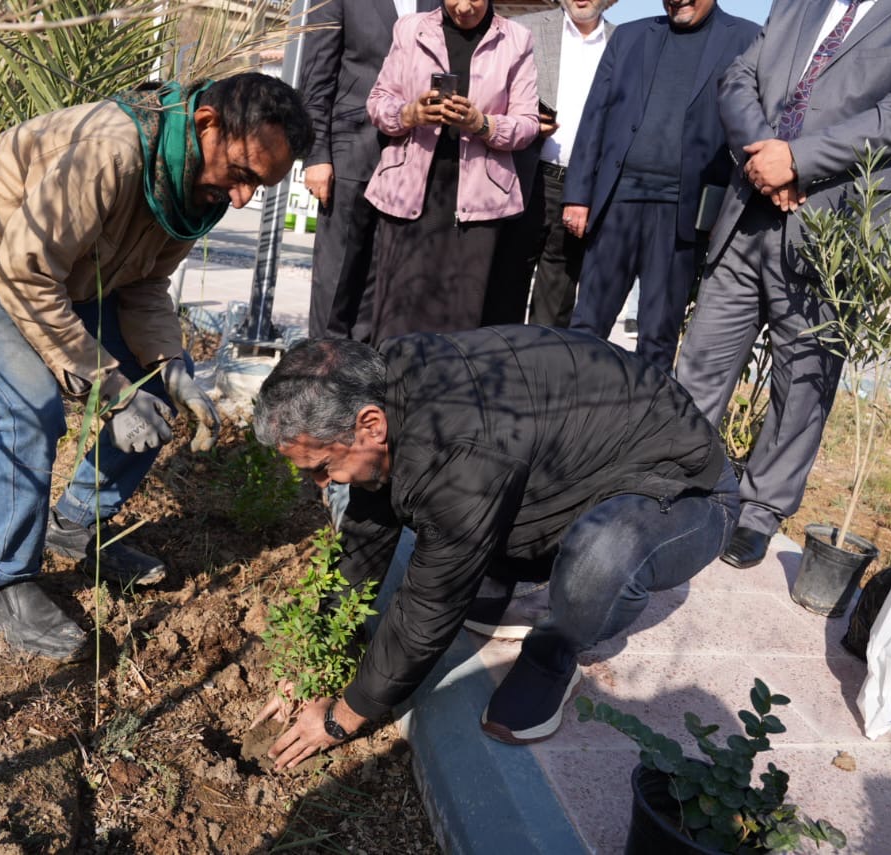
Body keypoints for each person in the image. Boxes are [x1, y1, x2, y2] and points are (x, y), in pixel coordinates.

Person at [0, 73, 313, 659]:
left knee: (156, 386)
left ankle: (75, 524)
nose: (242, 198)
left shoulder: (193, 188)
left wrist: (170, 366)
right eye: (242, 174)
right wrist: (113, 389)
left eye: (259, 185)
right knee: (28, 407)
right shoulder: (112, 153)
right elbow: (25, 272)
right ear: (207, 125)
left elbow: (145, 284)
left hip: (41, 273)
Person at [249, 327, 738, 765]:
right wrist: (315, 653)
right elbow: (367, 531)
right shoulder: (385, 387)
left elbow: (429, 607)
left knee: (603, 554)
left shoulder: (459, 450)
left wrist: (345, 715)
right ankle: (504, 577)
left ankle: (553, 654)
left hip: (685, 492)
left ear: (370, 425)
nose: (321, 484)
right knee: (451, 527)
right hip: (578, 466)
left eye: (321, 467)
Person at [673, 0, 891, 568]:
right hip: (748, 208)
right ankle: (674, 478)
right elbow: (740, 75)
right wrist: (765, 156)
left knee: (803, 382)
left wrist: (799, 160)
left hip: (835, 224)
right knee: (703, 359)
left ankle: (759, 511)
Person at [562, 0, 759, 372]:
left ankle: (643, 410)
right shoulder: (629, 37)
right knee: (587, 325)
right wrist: (577, 196)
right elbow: (595, 116)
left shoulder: (748, 39)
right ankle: (573, 403)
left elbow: (755, 125)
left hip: (682, 216)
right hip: (616, 205)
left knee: (658, 337)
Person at [364, 0, 539, 341]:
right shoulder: (411, 29)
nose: (463, 7)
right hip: (409, 190)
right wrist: (410, 114)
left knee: (460, 320)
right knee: (397, 314)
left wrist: (482, 123)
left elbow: (528, 123)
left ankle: (447, 378)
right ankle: (392, 375)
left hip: (478, 201)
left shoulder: (517, 40)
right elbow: (378, 102)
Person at [299, 0, 439, 343]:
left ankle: (361, 368)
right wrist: (317, 156)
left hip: (414, 160)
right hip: (350, 153)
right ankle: (325, 367)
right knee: (337, 280)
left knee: (380, 284)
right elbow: (317, 77)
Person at [480, 0, 613, 328]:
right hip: (524, 176)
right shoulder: (525, 30)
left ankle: (540, 362)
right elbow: (490, 95)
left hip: (581, 192)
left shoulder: (623, 43)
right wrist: (522, 119)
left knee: (556, 304)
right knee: (503, 290)